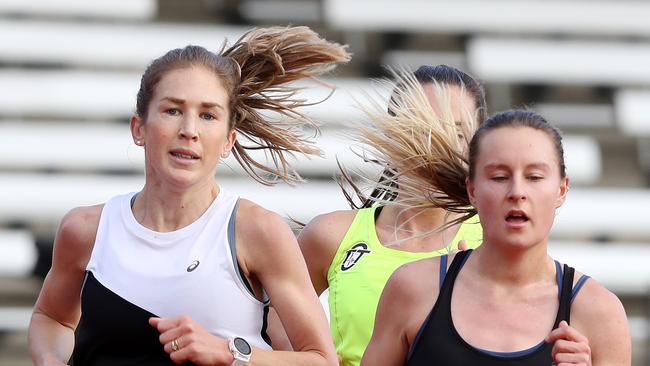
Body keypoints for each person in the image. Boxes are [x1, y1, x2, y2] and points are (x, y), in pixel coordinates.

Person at [27, 26, 350, 366]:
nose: (189, 131)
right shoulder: (86, 229)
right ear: (139, 128)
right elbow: (52, 318)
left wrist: (229, 353)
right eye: (173, 110)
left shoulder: (257, 231)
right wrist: (50, 359)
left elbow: (320, 360)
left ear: (228, 140)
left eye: (208, 115)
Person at [362, 109, 631, 366]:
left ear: (561, 189)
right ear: (472, 190)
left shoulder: (599, 312)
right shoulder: (413, 288)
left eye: (534, 177)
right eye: (500, 177)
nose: (517, 192)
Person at [290, 65, 488, 366]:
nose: (436, 145)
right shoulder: (332, 235)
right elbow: (275, 320)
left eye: (457, 133)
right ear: (391, 134)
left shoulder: (494, 241)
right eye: (418, 128)